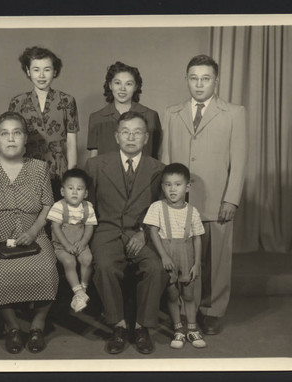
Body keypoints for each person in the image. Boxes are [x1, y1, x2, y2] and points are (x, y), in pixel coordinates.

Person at [161, 54, 247, 335]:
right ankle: (188, 309)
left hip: (216, 199)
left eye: (206, 78)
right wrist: (167, 198)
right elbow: (166, 159)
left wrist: (231, 199)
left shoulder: (234, 113)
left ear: (216, 81)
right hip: (180, 201)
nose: (199, 84)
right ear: (186, 79)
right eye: (194, 78)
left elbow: (239, 160)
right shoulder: (173, 112)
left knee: (216, 260)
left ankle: (212, 310)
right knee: (185, 257)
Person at [0, 111, 58, 354]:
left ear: (25, 139)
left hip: (34, 232)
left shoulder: (40, 168)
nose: (11, 139)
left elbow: (48, 205)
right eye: (4, 134)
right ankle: (13, 327)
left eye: (16, 133)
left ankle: (38, 325)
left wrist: (33, 231)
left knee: (47, 267)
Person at [85, 111, 167, 355]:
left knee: (156, 267)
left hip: (142, 232)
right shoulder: (95, 165)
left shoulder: (158, 169)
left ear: (145, 138)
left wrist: (143, 232)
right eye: (125, 132)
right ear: (116, 136)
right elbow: (87, 206)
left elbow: (160, 208)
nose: (131, 137)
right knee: (106, 266)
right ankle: (118, 325)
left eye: (137, 132)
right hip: (106, 230)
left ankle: (142, 326)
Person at [144, 163, 206, 349]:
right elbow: (153, 232)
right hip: (168, 255)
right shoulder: (157, 207)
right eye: (168, 184)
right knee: (172, 294)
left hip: (187, 256)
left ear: (187, 187)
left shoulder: (192, 211)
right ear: (162, 187)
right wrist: (163, 256)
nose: (172, 189)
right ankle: (178, 329)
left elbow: (197, 239)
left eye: (178, 185)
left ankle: (192, 329)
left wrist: (197, 263)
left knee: (188, 294)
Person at [8, 46, 79, 199]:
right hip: (27, 169)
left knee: (57, 219)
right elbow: (12, 142)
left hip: (59, 171)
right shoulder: (17, 102)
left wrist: (71, 178)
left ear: (54, 72)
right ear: (28, 71)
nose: (41, 75)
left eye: (46, 70)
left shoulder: (67, 101)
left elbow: (72, 143)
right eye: (35, 70)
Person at [46, 168, 97, 313]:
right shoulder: (59, 206)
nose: (75, 192)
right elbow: (56, 228)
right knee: (70, 262)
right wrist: (67, 245)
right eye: (70, 188)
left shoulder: (88, 207)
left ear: (86, 193)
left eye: (79, 189)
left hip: (80, 243)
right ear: (62, 191)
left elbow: (89, 228)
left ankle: (82, 290)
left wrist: (83, 243)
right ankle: (78, 292)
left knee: (87, 259)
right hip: (62, 245)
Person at [87, 61, 161, 159]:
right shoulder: (96, 118)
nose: (122, 88)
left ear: (136, 87)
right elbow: (93, 158)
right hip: (105, 174)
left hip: (143, 173)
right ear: (110, 85)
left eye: (128, 84)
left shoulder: (151, 116)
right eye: (117, 83)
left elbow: (156, 155)